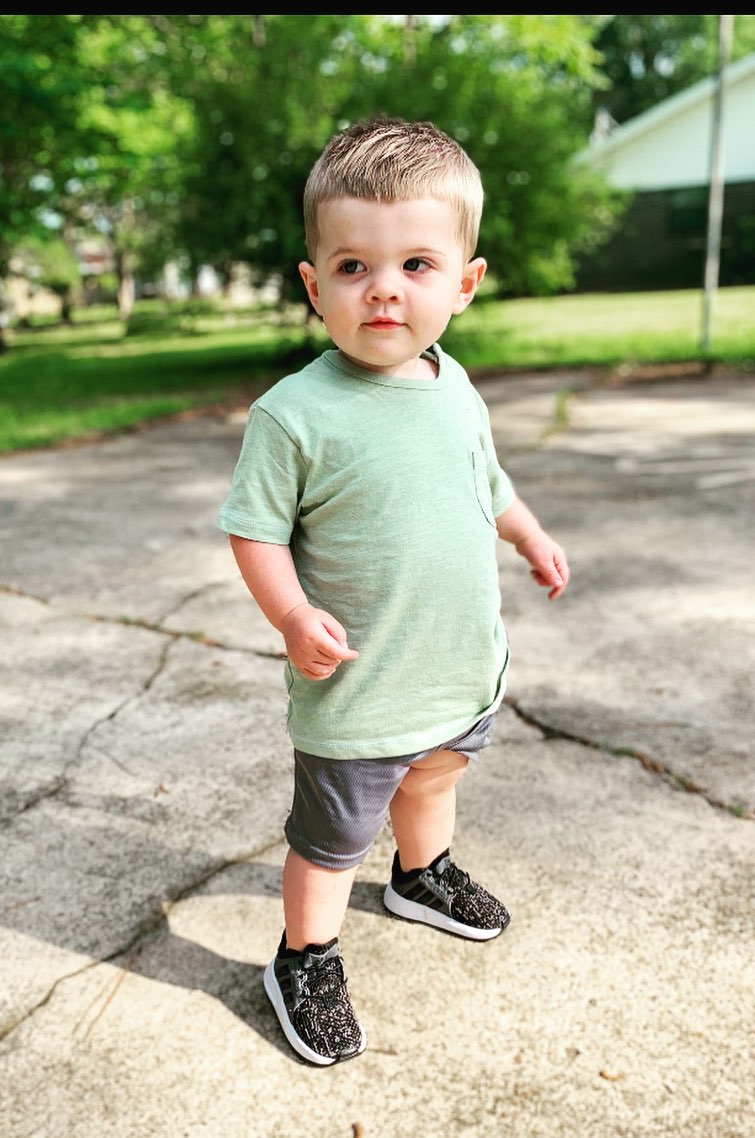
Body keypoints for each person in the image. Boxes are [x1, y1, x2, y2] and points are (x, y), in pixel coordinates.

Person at [218, 115, 570, 1066]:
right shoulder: (295, 415)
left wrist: (527, 533)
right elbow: (253, 530)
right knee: (331, 836)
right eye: (351, 268)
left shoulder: (455, 385)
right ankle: (305, 954)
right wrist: (292, 614)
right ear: (313, 285)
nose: (382, 289)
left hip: (453, 663)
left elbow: (483, 480)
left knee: (437, 773)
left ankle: (422, 874)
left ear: (464, 281)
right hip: (359, 684)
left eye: (416, 264)